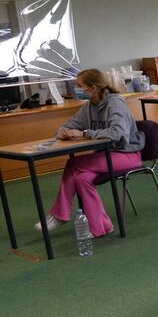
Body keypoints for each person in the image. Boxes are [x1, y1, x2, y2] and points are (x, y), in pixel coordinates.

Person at [34, 69, 145, 238]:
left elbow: (118, 134)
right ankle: (101, 227)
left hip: (126, 154)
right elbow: (68, 125)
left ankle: (60, 215)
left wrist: (85, 133)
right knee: (80, 178)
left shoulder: (115, 103)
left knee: (73, 164)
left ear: (93, 88)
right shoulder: (89, 106)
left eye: (79, 86)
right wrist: (63, 132)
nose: (76, 89)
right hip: (105, 155)